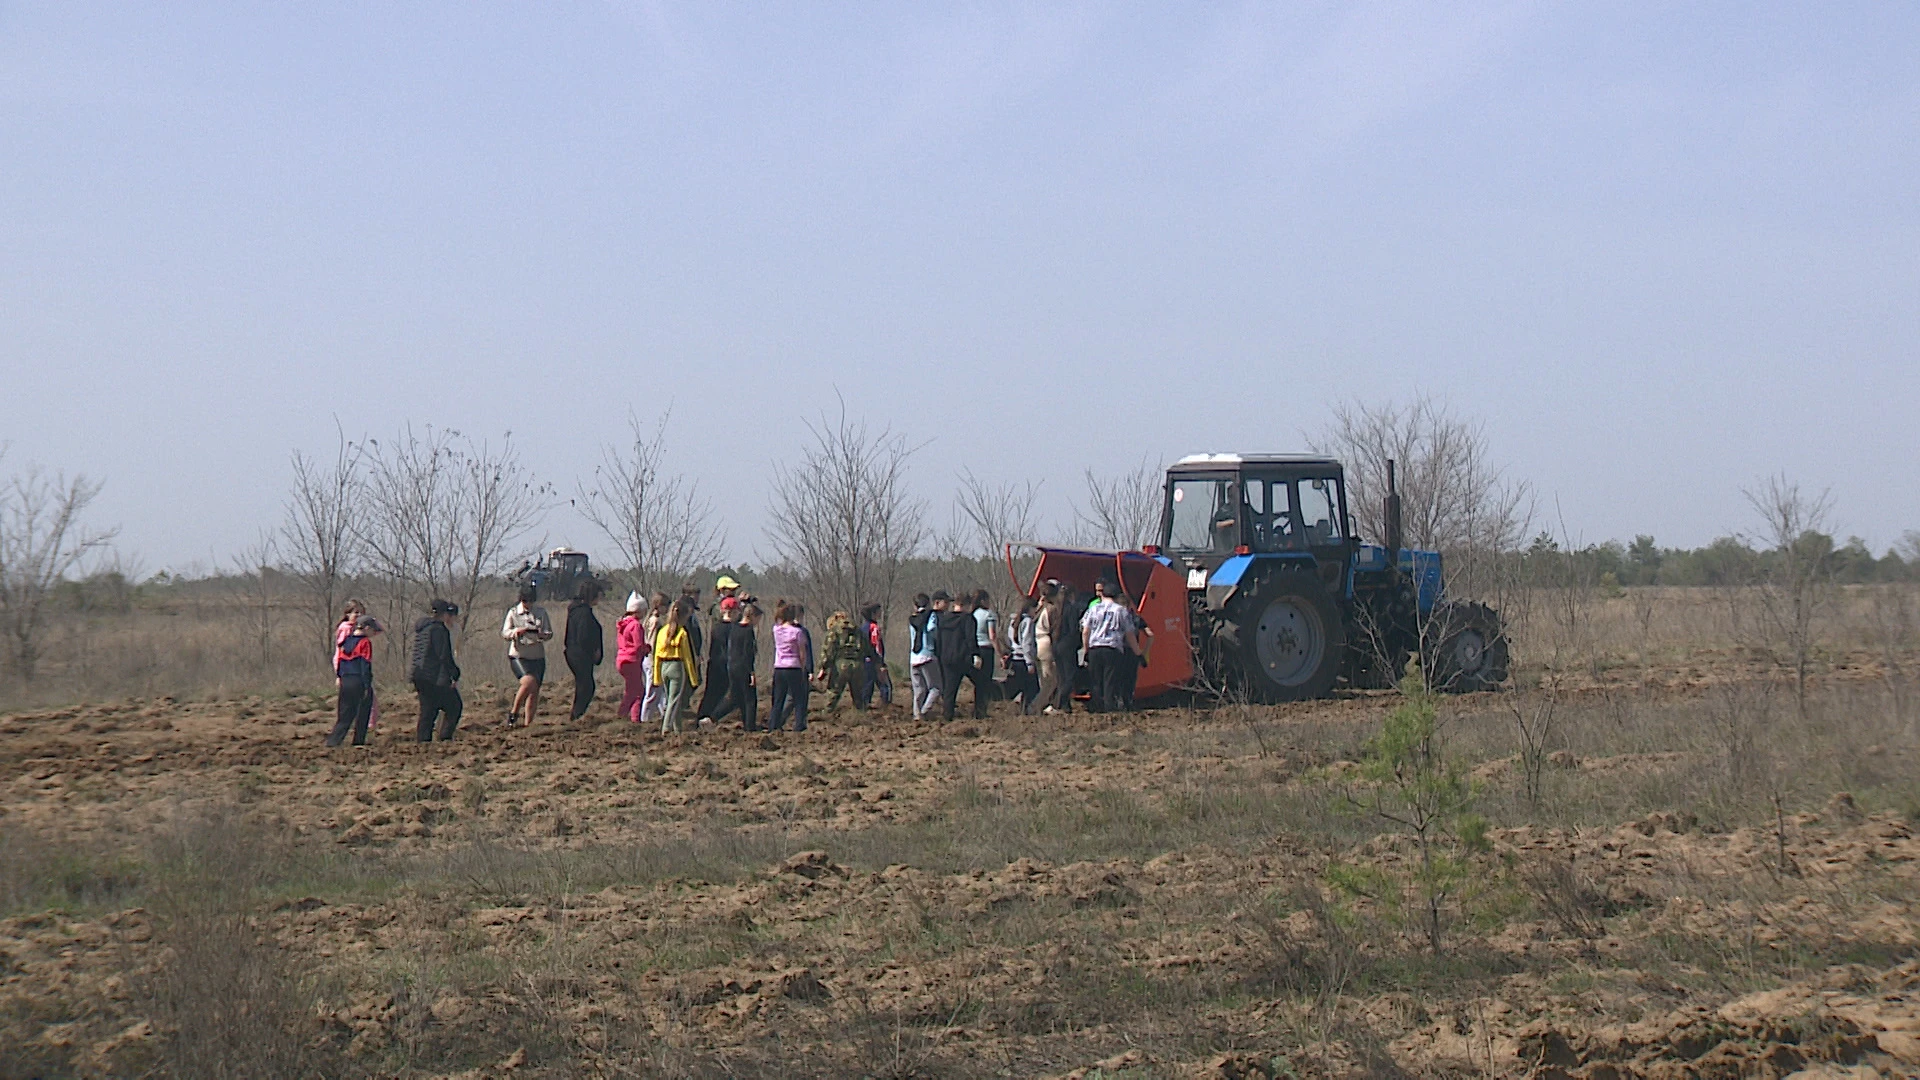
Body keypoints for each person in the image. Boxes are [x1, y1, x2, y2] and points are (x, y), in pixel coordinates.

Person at [1082, 580, 1141, 713]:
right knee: (1109, 680)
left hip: (1094, 647)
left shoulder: (1093, 609)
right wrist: (1138, 652)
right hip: (1112, 648)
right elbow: (1129, 633)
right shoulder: (1120, 610)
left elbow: (1086, 631)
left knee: (1095, 680)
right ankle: (1109, 709)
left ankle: (1096, 708)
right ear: (1115, 596)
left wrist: (1086, 649)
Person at [410, 599, 463, 742]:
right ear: (444, 614)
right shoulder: (439, 629)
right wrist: (454, 674)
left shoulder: (423, 628)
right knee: (455, 706)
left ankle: (423, 743)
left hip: (419, 675)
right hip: (433, 677)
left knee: (428, 711)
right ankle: (444, 739)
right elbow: (443, 655)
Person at [327, 614, 384, 747]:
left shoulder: (345, 642)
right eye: (372, 630)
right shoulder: (365, 643)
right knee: (363, 713)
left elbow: (340, 663)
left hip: (345, 680)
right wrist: (366, 685)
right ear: (367, 628)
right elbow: (365, 665)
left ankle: (333, 742)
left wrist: (341, 677)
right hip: (358, 680)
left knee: (345, 715)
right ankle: (358, 742)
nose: (373, 633)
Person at [502, 585, 553, 727]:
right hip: (519, 655)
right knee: (528, 682)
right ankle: (514, 712)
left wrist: (542, 634)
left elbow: (549, 633)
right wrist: (517, 632)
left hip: (537, 655)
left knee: (534, 690)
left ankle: (528, 724)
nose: (528, 605)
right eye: (526, 602)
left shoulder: (541, 612)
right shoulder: (513, 613)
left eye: (531, 601)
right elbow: (505, 633)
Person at [651, 598, 699, 733]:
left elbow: (656, 656)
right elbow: (688, 658)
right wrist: (693, 678)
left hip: (663, 668)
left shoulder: (662, 632)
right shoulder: (682, 633)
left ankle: (678, 729)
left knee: (672, 699)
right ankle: (666, 727)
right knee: (674, 700)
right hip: (677, 668)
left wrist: (656, 677)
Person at [711, 601, 761, 731]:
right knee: (750, 699)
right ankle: (750, 727)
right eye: (757, 619)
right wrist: (751, 672)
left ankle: (713, 717)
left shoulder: (734, 628)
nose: (757, 622)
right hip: (743, 667)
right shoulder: (748, 631)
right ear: (752, 616)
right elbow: (748, 653)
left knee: (736, 697)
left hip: (732, 666)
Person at [936, 592, 983, 721]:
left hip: (946, 658)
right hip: (963, 658)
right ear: (967, 605)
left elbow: (938, 639)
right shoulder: (968, 619)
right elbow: (970, 639)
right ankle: (979, 712)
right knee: (981, 682)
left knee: (950, 690)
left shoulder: (944, 619)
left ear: (955, 604)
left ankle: (947, 716)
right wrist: (976, 655)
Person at [768, 601, 814, 732]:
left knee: (778, 698)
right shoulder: (797, 632)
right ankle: (799, 725)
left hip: (779, 667)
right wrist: (803, 666)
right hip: (793, 667)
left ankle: (773, 725)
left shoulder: (776, 629)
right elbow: (802, 652)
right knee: (799, 698)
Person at [563, 580, 604, 721]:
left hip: (573, 653)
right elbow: (584, 636)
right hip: (580, 655)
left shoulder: (576, 610)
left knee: (583, 685)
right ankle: (576, 715)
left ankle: (576, 714)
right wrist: (594, 651)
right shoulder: (583, 613)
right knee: (586, 686)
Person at [820, 609, 873, 711]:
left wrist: (823, 666)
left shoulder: (834, 631)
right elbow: (868, 649)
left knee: (833, 693)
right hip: (858, 665)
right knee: (858, 696)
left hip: (840, 664)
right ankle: (860, 716)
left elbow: (828, 650)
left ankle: (827, 715)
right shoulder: (858, 631)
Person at [696, 598, 739, 722]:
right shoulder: (734, 629)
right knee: (732, 695)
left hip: (714, 664)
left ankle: (701, 717)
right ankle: (712, 718)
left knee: (710, 694)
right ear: (733, 612)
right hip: (727, 665)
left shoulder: (716, 627)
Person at [614, 592, 649, 723]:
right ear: (638, 610)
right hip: (632, 661)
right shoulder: (635, 626)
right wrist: (648, 648)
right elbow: (638, 646)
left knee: (633, 689)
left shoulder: (623, 624)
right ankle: (627, 716)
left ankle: (630, 716)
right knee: (637, 692)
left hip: (622, 660)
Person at [637, 592, 670, 726]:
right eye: (666, 605)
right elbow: (653, 642)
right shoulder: (655, 621)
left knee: (661, 692)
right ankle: (645, 720)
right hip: (653, 660)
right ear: (659, 606)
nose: (667, 609)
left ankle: (665, 716)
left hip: (650, 660)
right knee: (652, 692)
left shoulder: (649, 619)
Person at [1118, 589, 1152, 712]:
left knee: (1119, 677)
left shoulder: (1117, 617)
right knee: (1130, 677)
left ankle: (1120, 702)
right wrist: (1145, 652)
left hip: (1119, 651)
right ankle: (1129, 701)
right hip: (1134, 652)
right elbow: (1150, 635)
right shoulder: (1136, 618)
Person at [909, 592, 941, 720]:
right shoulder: (931, 615)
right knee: (935, 688)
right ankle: (924, 710)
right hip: (927, 655)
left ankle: (917, 715)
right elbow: (932, 630)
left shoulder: (911, 618)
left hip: (914, 657)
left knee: (918, 689)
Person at [1006, 596, 1039, 714]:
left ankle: (1022, 710)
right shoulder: (1028, 622)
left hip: (1015, 658)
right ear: (1029, 608)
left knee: (1022, 687)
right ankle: (1025, 710)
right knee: (1033, 688)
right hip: (1024, 660)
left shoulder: (1013, 621)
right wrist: (1030, 662)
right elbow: (1027, 643)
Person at [1055, 584, 1085, 715]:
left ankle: (1065, 706)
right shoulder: (1071, 609)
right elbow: (1073, 629)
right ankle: (1060, 698)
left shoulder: (1057, 609)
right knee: (1070, 676)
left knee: (1062, 676)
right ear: (1071, 595)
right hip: (1068, 645)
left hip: (1056, 645)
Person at [857, 602, 890, 708]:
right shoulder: (874, 628)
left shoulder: (862, 628)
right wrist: (880, 663)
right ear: (873, 613)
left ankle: (864, 707)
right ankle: (886, 707)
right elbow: (877, 647)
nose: (881, 613)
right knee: (884, 686)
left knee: (867, 686)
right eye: (879, 611)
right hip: (874, 661)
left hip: (865, 661)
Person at [1034, 581, 1061, 714]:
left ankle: (1043, 705)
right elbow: (1055, 630)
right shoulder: (1052, 609)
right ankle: (1037, 706)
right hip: (1046, 642)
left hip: (1038, 641)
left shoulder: (1040, 607)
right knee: (1050, 680)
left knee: (1045, 677)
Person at [972, 590, 1002, 704]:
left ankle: (977, 704)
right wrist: (999, 653)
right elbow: (992, 635)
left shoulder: (973, 614)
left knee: (978, 680)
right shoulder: (989, 614)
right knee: (986, 679)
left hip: (975, 649)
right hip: (986, 648)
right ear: (983, 601)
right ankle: (983, 706)